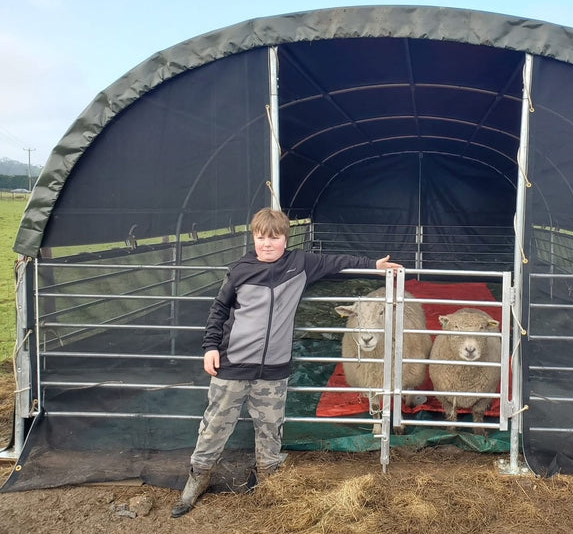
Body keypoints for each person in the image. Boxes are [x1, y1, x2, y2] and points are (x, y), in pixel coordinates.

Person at [172, 208, 402, 518]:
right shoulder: (240, 270)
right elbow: (219, 310)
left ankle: (270, 480)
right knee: (215, 425)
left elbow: (337, 262)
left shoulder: (300, 264)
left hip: (273, 370)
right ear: (253, 238)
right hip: (233, 366)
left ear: (285, 239)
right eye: (261, 238)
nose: (267, 244)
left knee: (270, 428)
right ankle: (197, 478)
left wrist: (373, 265)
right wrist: (211, 347)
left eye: (274, 238)